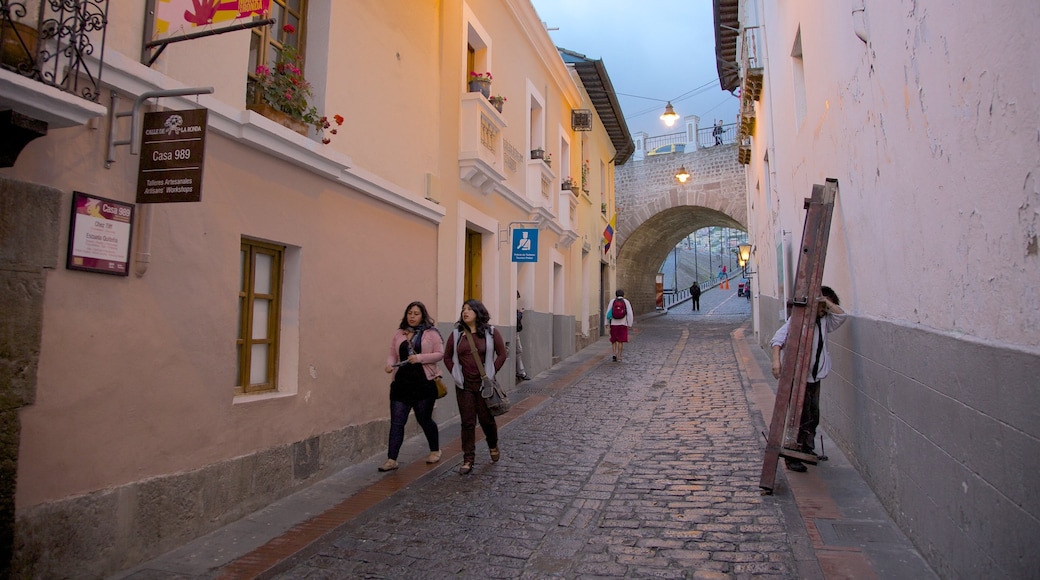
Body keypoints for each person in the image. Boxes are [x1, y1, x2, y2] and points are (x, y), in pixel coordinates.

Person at [769, 286, 847, 472]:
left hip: (814, 377)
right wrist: (776, 362)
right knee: (799, 416)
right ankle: (792, 454)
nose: (824, 311)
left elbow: (842, 316)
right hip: (798, 377)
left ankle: (806, 448)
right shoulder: (798, 321)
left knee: (813, 416)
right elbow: (777, 340)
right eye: (821, 307)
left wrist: (825, 302)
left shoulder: (825, 321)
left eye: (825, 308)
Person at [443, 299, 508, 475]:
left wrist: (491, 372)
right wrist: (455, 373)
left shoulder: (491, 333)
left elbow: (502, 354)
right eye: (464, 309)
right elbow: (447, 356)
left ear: (478, 312)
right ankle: (468, 459)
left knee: (486, 420)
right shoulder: (457, 334)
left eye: (470, 309)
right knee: (467, 422)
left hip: (484, 386)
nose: (466, 312)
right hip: (464, 386)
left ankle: (493, 444)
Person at [380, 301, 444, 472]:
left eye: (416, 313)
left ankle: (435, 450)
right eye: (410, 313)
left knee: (424, 419)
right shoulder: (399, 333)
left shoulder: (431, 333)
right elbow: (392, 354)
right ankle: (392, 459)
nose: (412, 316)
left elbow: (440, 354)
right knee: (397, 422)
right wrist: (389, 365)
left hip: (423, 384)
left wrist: (420, 358)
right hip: (401, 384)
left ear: (422, 315)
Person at [606, 289, 634, 362]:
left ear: (616, 294)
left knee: (614, 340)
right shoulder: (626, 302)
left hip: (613, 324)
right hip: (623, 324)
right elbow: (630, 313)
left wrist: (606, 323)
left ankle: (614, 354)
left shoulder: (612, 302)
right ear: (623, 295)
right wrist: (630, 323)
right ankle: (619, 356)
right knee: (620, 340)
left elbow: (608, 312)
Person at [515, 291, 530, 381]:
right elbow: (516, 318)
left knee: (518, 351)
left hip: (516, 331)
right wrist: (520, 313)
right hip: (515, 332)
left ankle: (521, 372)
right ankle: (521, 372)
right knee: (519, 350)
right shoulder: (512, 305)